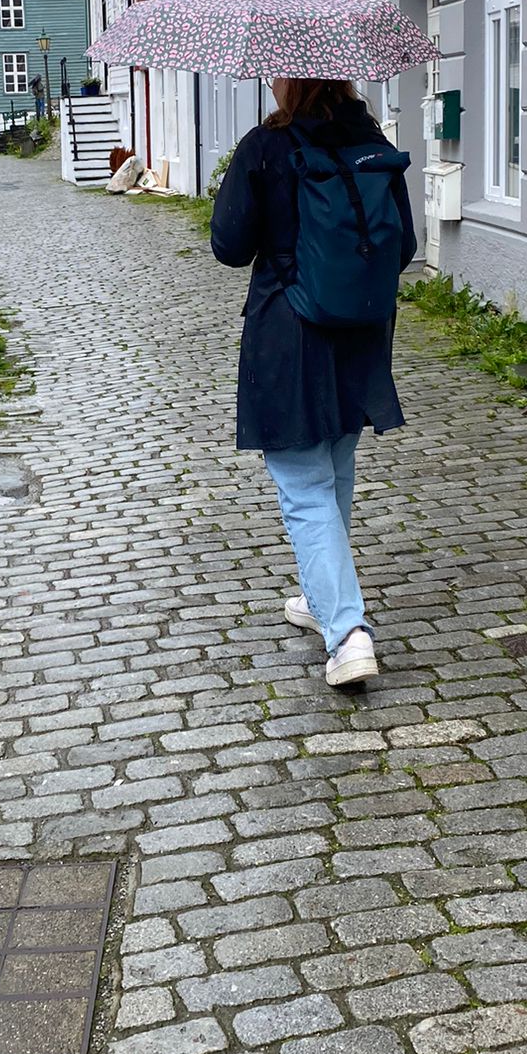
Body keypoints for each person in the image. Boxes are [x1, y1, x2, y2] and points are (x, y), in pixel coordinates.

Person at [210, 79, 415, 690]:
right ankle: (320, 596)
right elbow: (402, 244)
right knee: (335, 465)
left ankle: (348, 633)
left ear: (284, 79)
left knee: (303, 484)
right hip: (361, 329)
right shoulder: (371, 140)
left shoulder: (265, 147)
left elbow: (228, 246)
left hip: (289, 330)